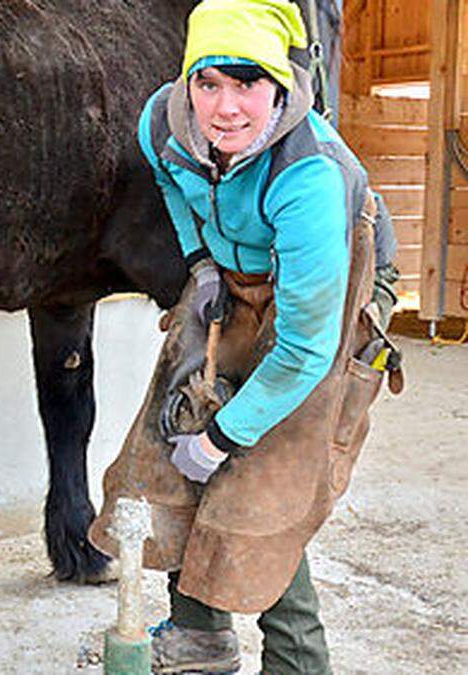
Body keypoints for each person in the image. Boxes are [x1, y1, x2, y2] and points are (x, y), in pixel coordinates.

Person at [87, 1, 400, 673]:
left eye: (247, 83)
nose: (225, 108)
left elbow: (306, 351)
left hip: (330, 281)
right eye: (208, 83)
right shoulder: (163, 123)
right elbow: (176, 185)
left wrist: (225, 437)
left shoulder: (309, 176)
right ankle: (200, 633)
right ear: (187, 81)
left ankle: (297, 660)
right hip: (237, 270)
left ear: (279, 85)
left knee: (264, 486)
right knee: (169, 439)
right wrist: (201, 265)